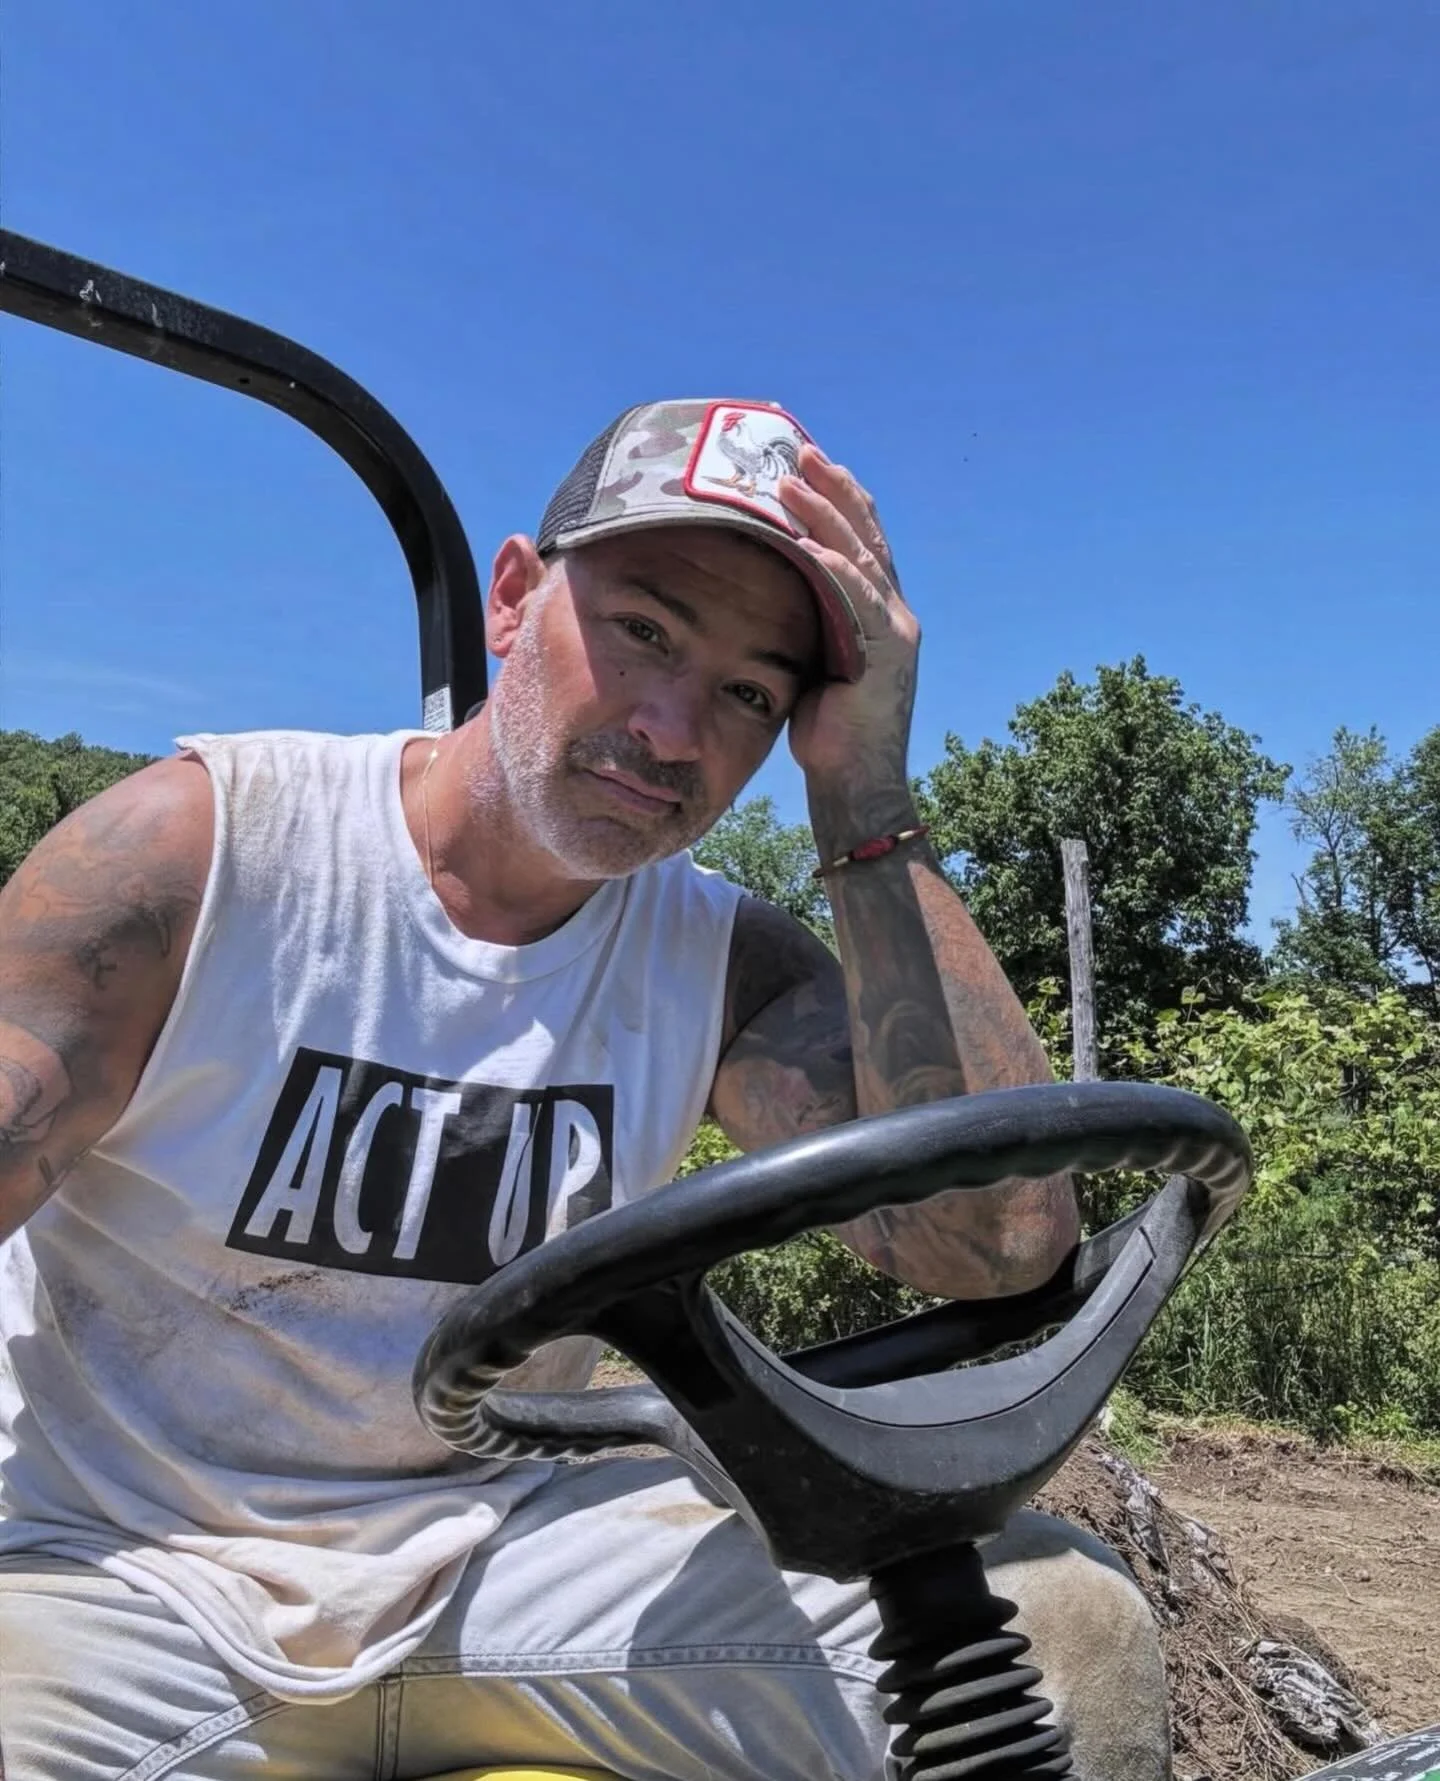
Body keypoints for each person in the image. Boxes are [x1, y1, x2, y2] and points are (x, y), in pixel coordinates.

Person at [0, 399, 1170, 1780]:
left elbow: (1001, 1242)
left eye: (752, 694)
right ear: (512, 600)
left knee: (1063, 1630)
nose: (675, 732)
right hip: (116, 1565)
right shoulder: (198, 860)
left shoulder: (723, 964)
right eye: (645, 632)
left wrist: (865, 799)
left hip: (502, 1559)